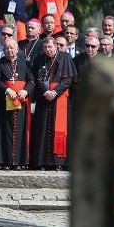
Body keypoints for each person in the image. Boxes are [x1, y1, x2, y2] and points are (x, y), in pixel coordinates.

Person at [30, 37, 76, 170]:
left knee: (59, 130)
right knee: (43, 129)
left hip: (59, 97)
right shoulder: (39, 59)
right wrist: (45, 92)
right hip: (44, 98)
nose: (48, 50)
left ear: (55, 46)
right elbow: (37, 79)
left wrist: (54, 92)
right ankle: (42, 162)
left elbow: (67, 80)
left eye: (50, 47)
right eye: (45, 48)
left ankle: (58, 162)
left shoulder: (65, 57)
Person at [0, 37, 34, 170]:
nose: (9, 50)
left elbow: (31, 81)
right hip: (4, 101)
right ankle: (5, 161)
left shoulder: (25, 64)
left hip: (21, 101)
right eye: (6, 48)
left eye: (12, 48)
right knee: (5, 130)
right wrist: (7, 89)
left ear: (17, 49)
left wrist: (25, 91)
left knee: (21, 130)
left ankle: (19, 162)